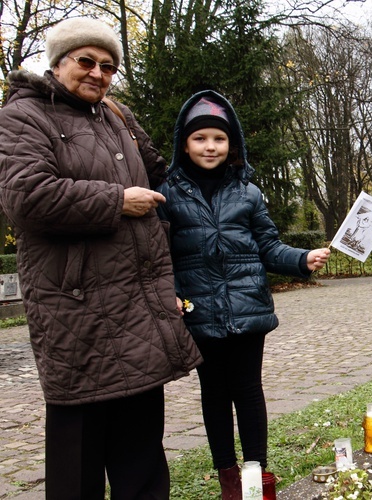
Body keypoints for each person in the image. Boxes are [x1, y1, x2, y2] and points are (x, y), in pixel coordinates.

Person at [0, 17, 203, 499]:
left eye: (108, 66)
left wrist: (220, 163)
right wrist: (116, 201)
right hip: (77, 314)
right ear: (59, 63)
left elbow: (163, 176)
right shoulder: (24, 115)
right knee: (78, 463)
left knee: (142, 458)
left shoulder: (117, 116)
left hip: (138, 311)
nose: (97, 73)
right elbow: (26, 197)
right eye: (86, 61)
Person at [155, 90, 331, 499]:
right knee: (214, 395)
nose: (210, 146)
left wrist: (302, 258)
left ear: (231, 143)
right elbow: (160, 256)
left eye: (218, 138)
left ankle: (258, 475)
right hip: (198, 313)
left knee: (249, 391)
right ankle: (228, 478)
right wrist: (175, 295)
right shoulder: (168, 194)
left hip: (247, 309)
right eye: (200, 139)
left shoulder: (248, 192)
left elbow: (269, 246)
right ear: (185, 143)